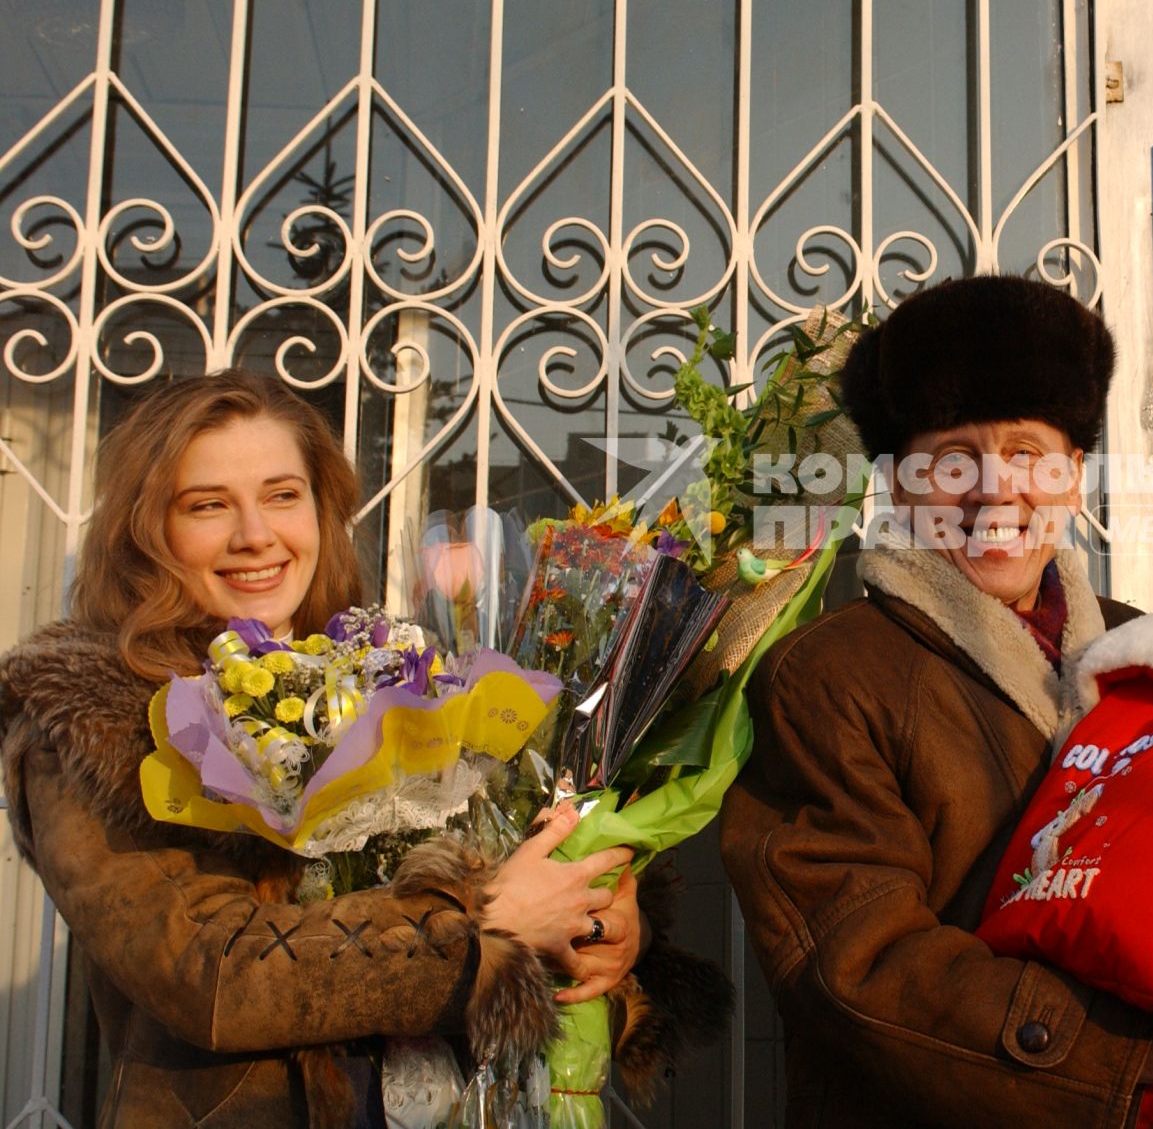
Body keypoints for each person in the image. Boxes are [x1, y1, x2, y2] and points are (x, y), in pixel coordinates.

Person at [719, 276, 1153, 1129]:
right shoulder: (829, 676)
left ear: (1073, 474)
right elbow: (854, 966)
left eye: (1027, 451)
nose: (994, 491)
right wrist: (1134, 1056)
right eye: (951, 457)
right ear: (899, 485)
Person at [0, 370, 730, 1128]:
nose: (255, 534)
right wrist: (482, 926)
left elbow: (514, 869)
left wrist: (604, 925)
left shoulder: (392, 673)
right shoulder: (86, 718)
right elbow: (211, 973)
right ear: (147, 529)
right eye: (208, 504)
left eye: (283, 495)